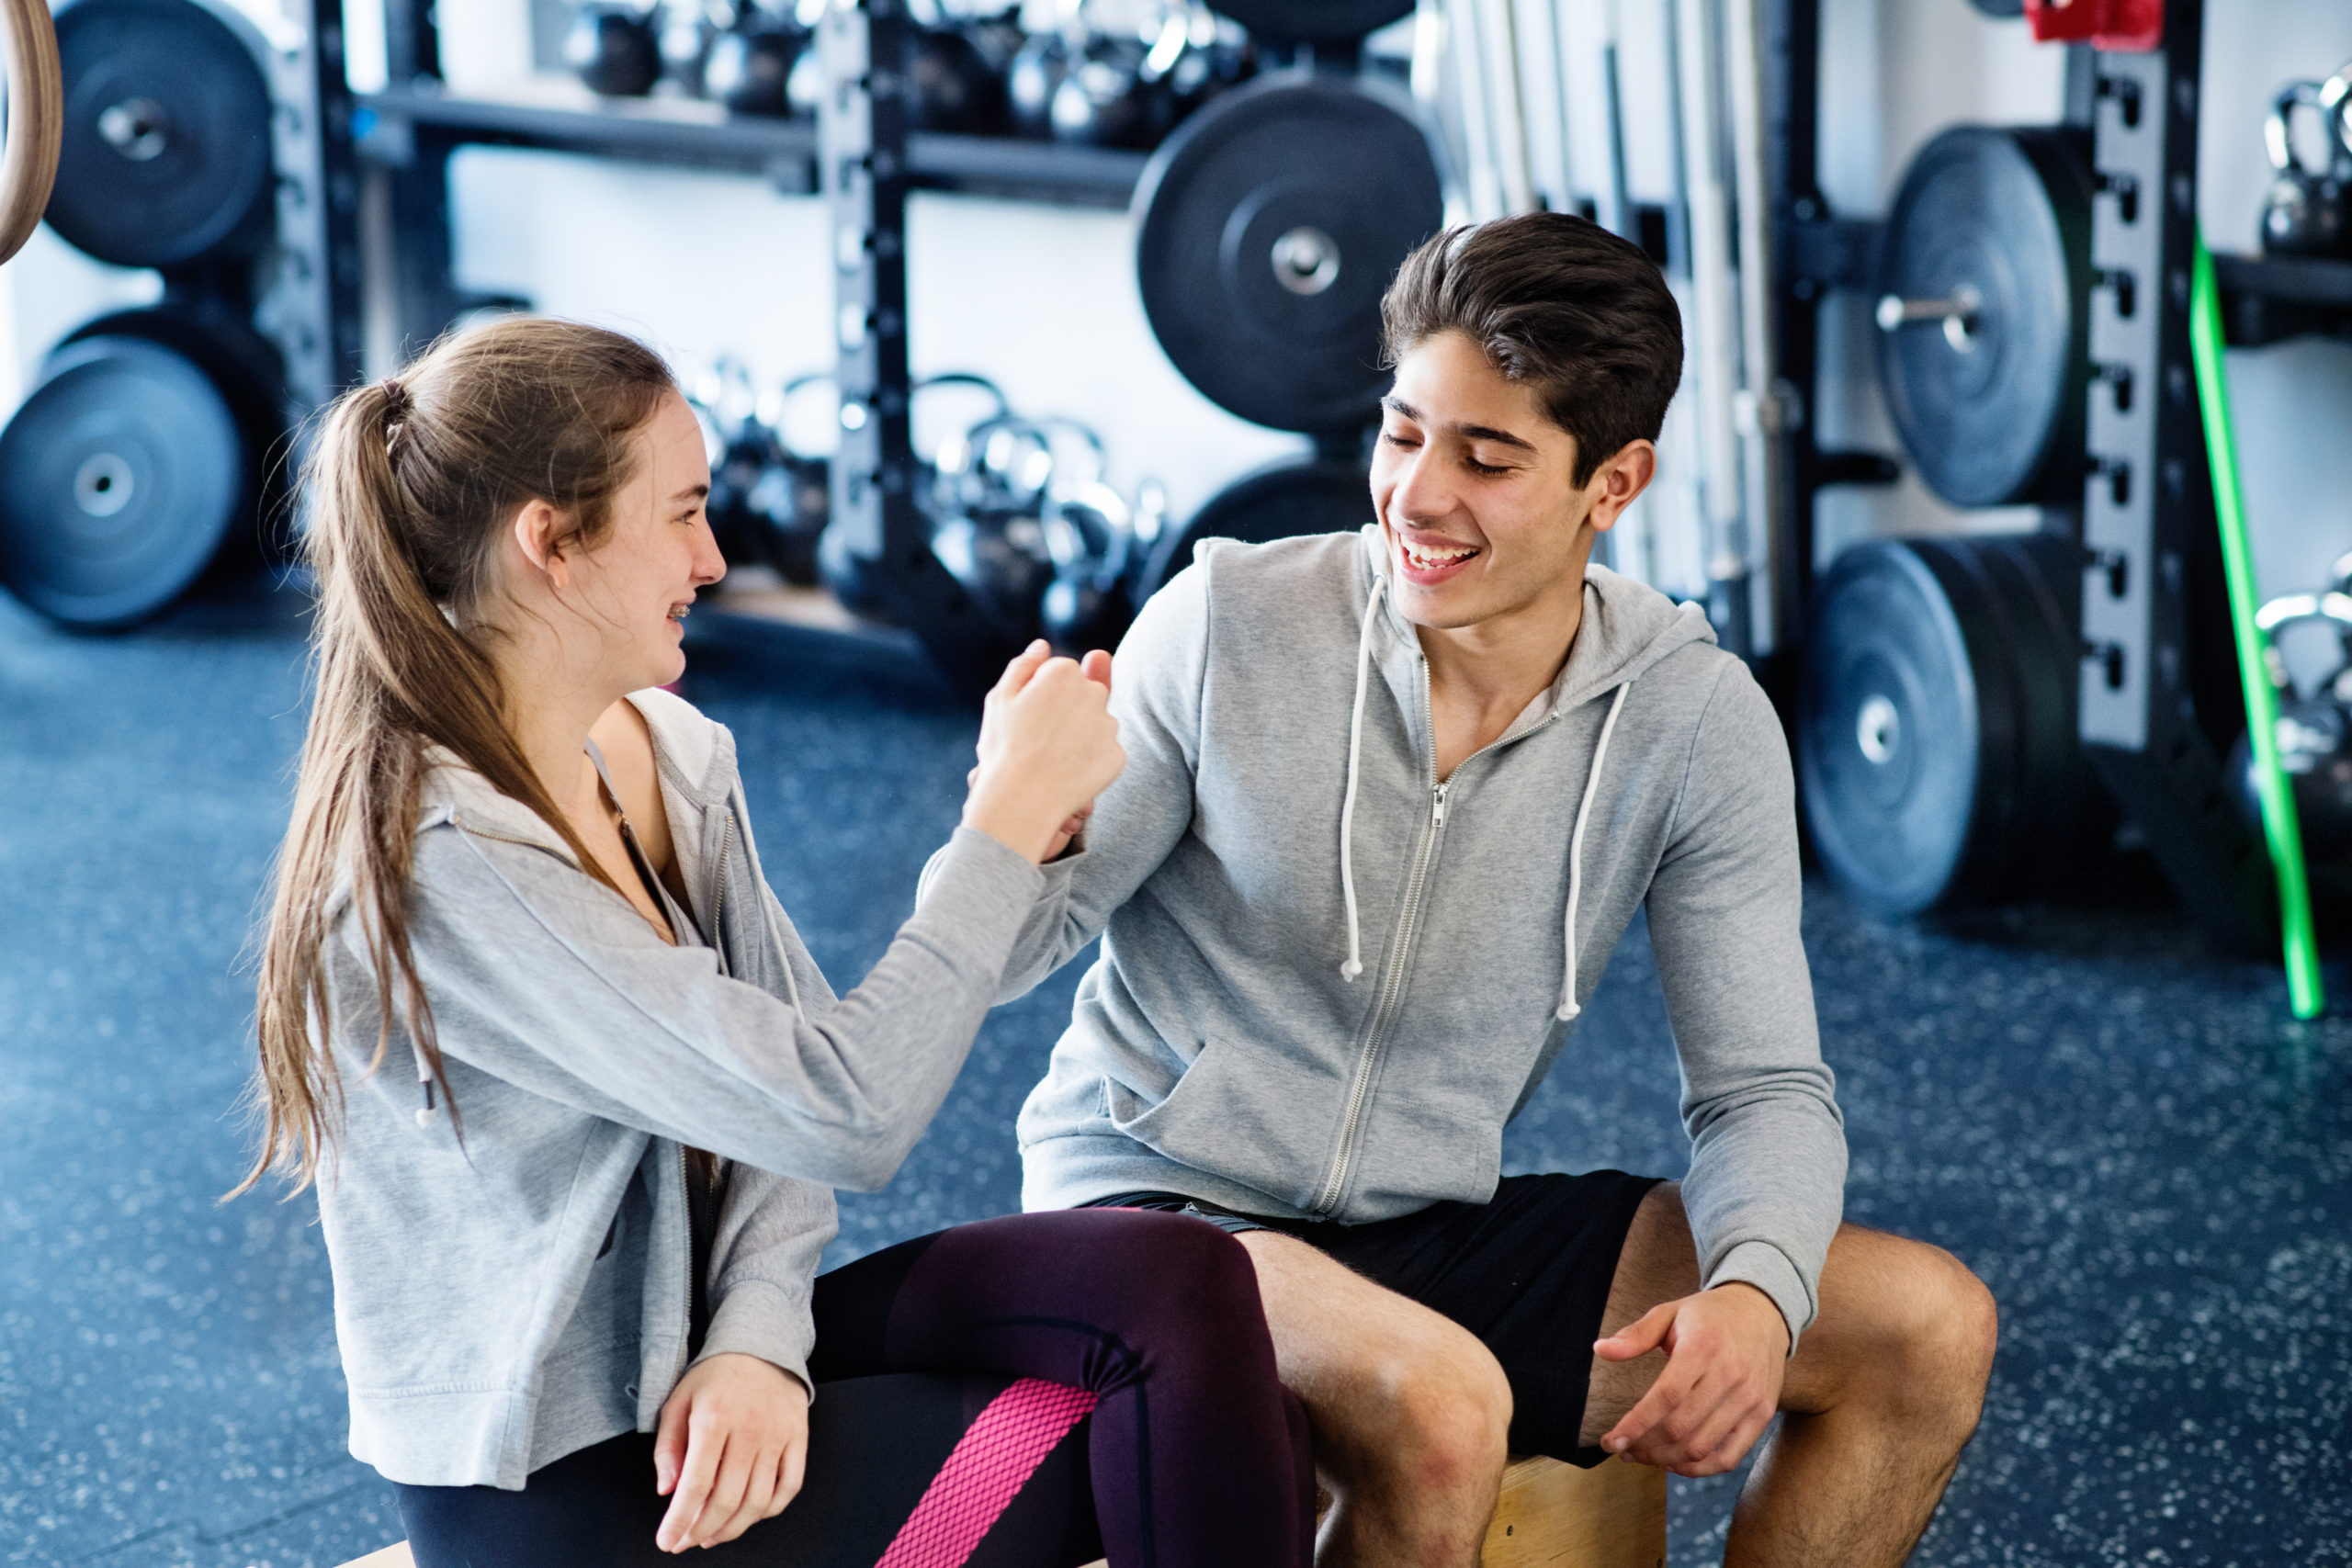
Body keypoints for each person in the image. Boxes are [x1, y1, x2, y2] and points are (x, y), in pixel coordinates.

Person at [984, 214, 1999, 1567]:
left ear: (1613, 483)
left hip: (1422, 1226)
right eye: (1404, 433)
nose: (1417, 494)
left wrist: (1758, 1292)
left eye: (1488, 456)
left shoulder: (1691, 719)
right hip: (1159, 1214)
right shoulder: (1227, 622)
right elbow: (1008, 952)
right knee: (1438, 1404)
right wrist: (1013, 821)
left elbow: (1762, 1089)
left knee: (1922, 1329)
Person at [240, 317, 1313, 1568]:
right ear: (551, 545)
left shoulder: (668, 751)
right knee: (1187, 1433)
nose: (713, 554)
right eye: (683, 512)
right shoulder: (443, 861)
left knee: (1175, 1289)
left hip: (706, 1366)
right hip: (569, 1487)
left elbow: (786, 1088)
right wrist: (1002, 828)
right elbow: (843, 1112)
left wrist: (757, 1340)